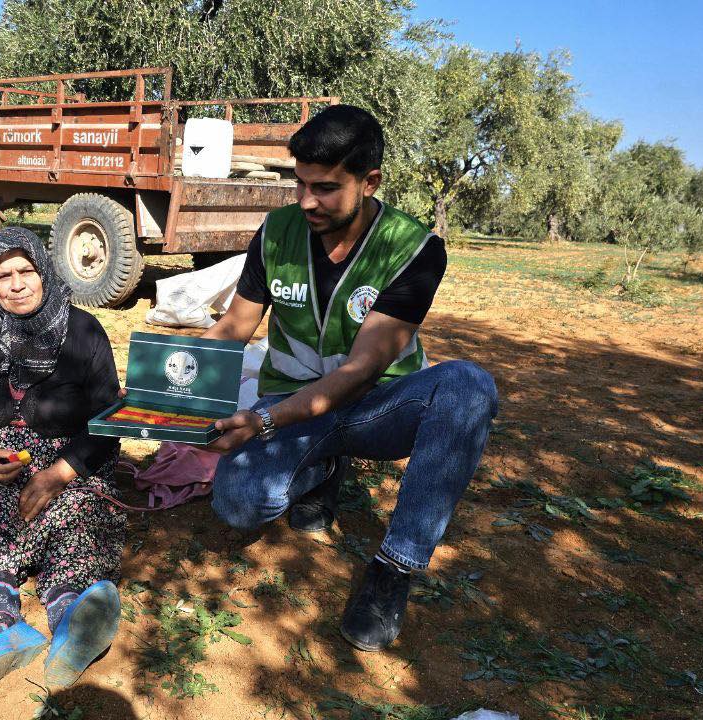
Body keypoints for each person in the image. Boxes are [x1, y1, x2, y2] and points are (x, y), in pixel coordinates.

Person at [202, 106, 500, 652]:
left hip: (376, 410)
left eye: (325, 188)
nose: (306, 202)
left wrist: (263, 420)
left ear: (370, 182)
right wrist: (163, 386)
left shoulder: (414, 249)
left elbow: (362, 372)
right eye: (299, 185)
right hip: (293, 403)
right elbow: (235, 327)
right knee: (238, 503)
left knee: (469, 387)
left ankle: (395, 567)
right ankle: (320, 470)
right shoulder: (277, 232)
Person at [0, 227, 126, 690]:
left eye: (25, 271)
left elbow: (107, 417)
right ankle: (2, 623)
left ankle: (69, 621)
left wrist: (59, 474)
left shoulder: (83, 331)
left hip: (66, 456)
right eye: (2, 275)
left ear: (44, 270)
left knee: (79, 511)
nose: (16, 284)